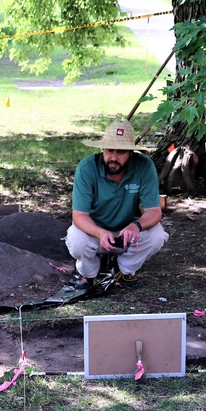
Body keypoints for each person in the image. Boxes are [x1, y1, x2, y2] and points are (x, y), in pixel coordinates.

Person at [65, 119, 169, 289]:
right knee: (77, 240)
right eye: (109, 150)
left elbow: (154, 211)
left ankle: (124, 270)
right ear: (102, 149)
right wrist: (100, 233)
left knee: (157, 235)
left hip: (126, 233)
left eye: (121, 152)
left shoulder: (144, 165)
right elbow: (79, 216)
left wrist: (136, 226)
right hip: (94, 231)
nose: (113, 157)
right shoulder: (87, 167)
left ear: (131, 153)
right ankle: (88, 274)